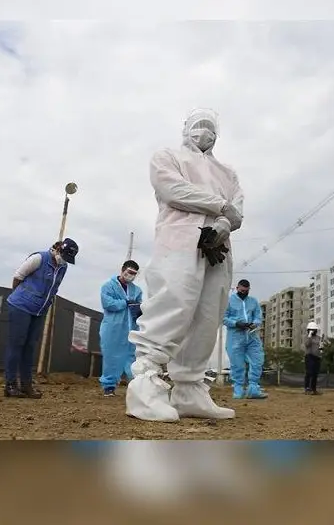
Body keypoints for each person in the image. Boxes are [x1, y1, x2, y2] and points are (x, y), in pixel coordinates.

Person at [126, 107, 244, 422]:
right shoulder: (167, 156)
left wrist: (223, 224)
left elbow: (238, 212)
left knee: (208, 314)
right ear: (185, 127)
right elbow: (172, 190)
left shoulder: (228, 172)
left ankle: (189, 389)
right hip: (178, 240)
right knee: (173, 303)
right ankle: (145, 385)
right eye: (198, 123)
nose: (204, 128)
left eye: (210, 124)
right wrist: (220, 206)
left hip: (218, 248)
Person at [4, 238, 79, 398]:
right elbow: (18, 276)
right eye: (63, 255)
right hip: (20, 306)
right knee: (16, 345)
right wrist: (21, 297)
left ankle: (26, 384)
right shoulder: (39, 258)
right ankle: (10, 384)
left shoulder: (63, 267)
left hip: (39, 311)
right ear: (58, 249)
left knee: (30, 348)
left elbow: (54, 287)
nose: (64, 260)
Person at [99, 260, 143, 396]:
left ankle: (135, 385)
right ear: (122, 270)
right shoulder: (108, 286)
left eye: (134, 274)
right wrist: (125, 302)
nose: (131, 275)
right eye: (129, 272)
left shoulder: (137, 290)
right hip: (113, 328)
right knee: (111, 356)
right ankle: (109, 386)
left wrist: (139, 310)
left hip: (131, 328)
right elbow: (107, 304)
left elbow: (140, 307)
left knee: (131, 356)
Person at [223, 279, 267, 399]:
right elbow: (223, 318)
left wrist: (254, 323)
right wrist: (236, 323)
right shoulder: (229, 301)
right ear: (237, 288)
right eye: (242, 290)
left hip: (252, 336)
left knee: (257, 361)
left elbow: (258, 316)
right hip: (235, 338)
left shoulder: (253, 301)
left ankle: (253, 388)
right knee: (237, 364)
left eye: (246, 291)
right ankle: (238, 389)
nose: (244, 293)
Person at [303, 322, 323, 395]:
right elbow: (307, 344)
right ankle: (307, 388)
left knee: (315, 373)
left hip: (317, 356)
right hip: (309, 356)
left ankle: (314, 389)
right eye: (311, 329)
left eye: (314, 329)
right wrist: (309, 336)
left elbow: (320, 346)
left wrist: (321, 350)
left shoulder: (318, 338)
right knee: (309, 372)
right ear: (308, 330)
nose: (313, 331)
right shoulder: (307, 337)